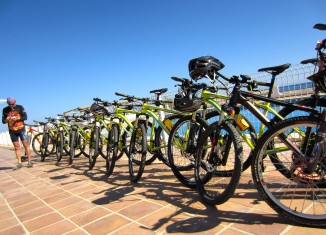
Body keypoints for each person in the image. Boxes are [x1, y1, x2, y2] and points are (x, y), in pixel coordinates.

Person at [2, 97, 33, 169]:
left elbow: (25, 117)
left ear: (15, 102)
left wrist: (17, 118)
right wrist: (7, 119)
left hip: (21, 129)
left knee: (26, 145)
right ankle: (19, 162)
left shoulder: (20, 107)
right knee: (16, 147)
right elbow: (3, 121)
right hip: (12, 130)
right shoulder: (5, 110)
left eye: (13, 104)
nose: (12, 106)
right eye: (10, 104)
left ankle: (29, 161)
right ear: (8, 104)